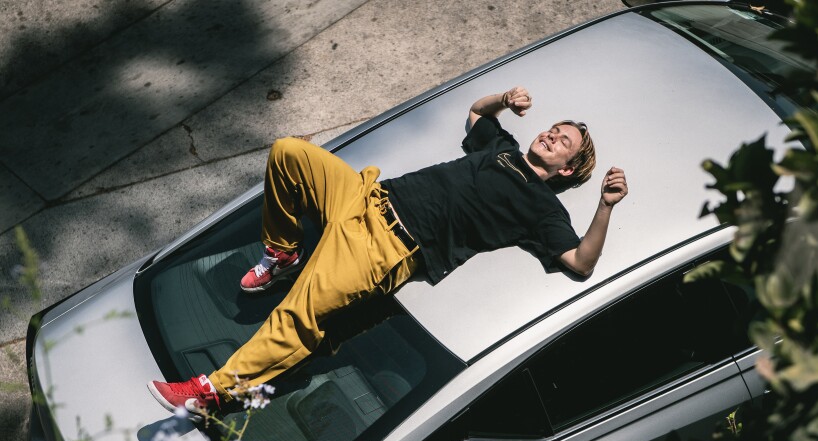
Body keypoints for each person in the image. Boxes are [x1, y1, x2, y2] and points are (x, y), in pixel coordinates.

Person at [147, 86, 629, 416]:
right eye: (554, 128)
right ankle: (283, 253)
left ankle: (212, 393)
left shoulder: (542, 209)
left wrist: (605, 208)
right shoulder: (501, 147)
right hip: (366, 196)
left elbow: (580, 264)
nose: (550, 135)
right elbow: (477, 114)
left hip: (387, 245)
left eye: (563, 140)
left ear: (568, 168)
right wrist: (504, 99)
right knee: (289, 153)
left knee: (301, 315)